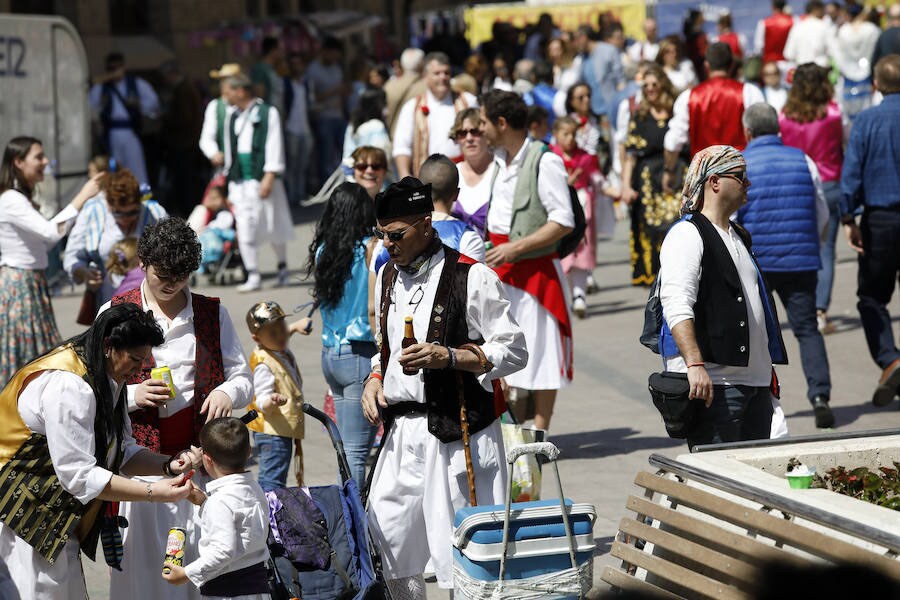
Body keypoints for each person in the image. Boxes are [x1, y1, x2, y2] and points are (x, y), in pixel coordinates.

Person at [362, 177, 528, 598]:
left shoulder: (472, 277)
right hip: (401, 435)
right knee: (388, 538)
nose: (387, 244)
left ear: (425, 223)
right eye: (381, 234)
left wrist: (451, 357)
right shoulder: (386, 276)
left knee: (459, 554)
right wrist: (374, 378)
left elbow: (513, 349)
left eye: (396, 235)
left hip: (458, 434)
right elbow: (382, 347)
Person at [101, 217, 253, 600]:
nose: (171, 283)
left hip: (199, 464)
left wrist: (228, 394)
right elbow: (92, 390)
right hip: (141, 469)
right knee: (146, 573)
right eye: (162, 274)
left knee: (199, 567)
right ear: (143, 265)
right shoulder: (116, 312)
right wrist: (134, 397)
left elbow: (243, 378)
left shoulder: (210, 313)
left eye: (181, 275)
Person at [0, 303, 193, 598]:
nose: (140, 370)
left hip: (54, 517)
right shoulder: (69, 386)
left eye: (144, 361)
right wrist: (155, 493)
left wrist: (167, 465)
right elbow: (79, 476)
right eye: (135, 359)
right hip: (20, 518)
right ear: (108, 346)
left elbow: (121, 449)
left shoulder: (106, 373)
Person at [658, 145, 788, 449]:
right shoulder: (687, 234)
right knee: (718, 484)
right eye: (741, 176)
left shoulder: (739, 235)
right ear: (714, 181)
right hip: (716, 386)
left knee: (753, 482)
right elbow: (676, 303)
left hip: (754, 385)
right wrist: (694, 365)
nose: (748, 184)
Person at [481, 90, 575, 432]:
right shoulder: (500, 161)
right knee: (508, 351)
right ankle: (515, 430)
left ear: (501, 123)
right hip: (504, 270)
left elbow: (563, 220)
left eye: (484, 122)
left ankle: (540, 430)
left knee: (543, 351)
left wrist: (516, 248)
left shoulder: (544, 160)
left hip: (535, 272)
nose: (481, 130)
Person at [736, 103, 835, 429]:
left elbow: (732, 218)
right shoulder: (803, 160)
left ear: (747, 132)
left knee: (756, 333)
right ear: (777, 129)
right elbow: (821, 212)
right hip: (800, 260)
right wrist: (813, 246)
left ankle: (762, 399)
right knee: (807, 328)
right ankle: (820, 396)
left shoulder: (741, 164)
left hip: (758, 262)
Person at [0, 136, 104, 384]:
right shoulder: (12, 199)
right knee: (28, 356)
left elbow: (47, 240)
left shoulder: (18, 198)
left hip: (29, 282)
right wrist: (82, 197)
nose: (45, 162)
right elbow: (49, 232)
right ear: (18, 162)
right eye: (38, 157)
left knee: (36, 353)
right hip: (19, 284)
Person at [307, 182, 379, 487]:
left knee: (346, 447)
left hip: (330, 354)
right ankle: (352, 524)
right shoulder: (369, 249)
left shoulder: (324, 250)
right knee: (356, 451)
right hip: (359, 352)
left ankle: (349, 517)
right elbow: (374, 307)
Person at [839, 55, 900, 407]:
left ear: (875, 85)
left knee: (873, 297)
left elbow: (852, 174)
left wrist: (848, 218)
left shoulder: (866, 120)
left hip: (880, 220)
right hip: (882, 215)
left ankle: (889, 357)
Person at [162, 417, 271, 599]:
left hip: (228, 592)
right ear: (249, 452)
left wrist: (186, 573)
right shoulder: (254, 487)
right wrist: (204, 502)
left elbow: (223, 550)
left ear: (207, 460)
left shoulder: (220, 501)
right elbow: (241, 527)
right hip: (257, 588)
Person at [779, 63, 845, 334]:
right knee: (826, 248)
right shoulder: (833, 113)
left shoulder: (785, 117)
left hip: (797, 184)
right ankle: (820, 310)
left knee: (800, 247)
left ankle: (802, 306)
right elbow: (846, 144)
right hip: (829, 181)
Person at [222, 73, 295, 292]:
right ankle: (253, 273)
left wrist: (270, 175)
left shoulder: (267, 112)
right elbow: (229, 150)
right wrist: (228, 182)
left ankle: (282, 267)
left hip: (262, 177)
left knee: (273, 223)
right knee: (244, 226)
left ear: (241, 91)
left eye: (230, 91)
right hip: (240, 181)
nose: (226, 95)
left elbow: (274, 143)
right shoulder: (232, 116)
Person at [64, 168, 168, 312]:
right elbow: (72, 257)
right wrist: (84, 273)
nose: (126, 219)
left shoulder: (155, 213)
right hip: (108, 303)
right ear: (108, 203)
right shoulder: (92, 213)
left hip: (152, 303)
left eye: (133, 212)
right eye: (118, 213)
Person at [621, 66, 686, 286]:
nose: (650, 89)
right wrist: (625, 186)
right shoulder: (639, 115)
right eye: (645, 85)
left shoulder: (678, 113)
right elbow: (630, 155)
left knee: (678, 225)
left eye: (654, 84)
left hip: (677, 175)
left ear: (663, 86)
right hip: (647, 177)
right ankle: (654, 278)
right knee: (649, 229)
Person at [663, 43, 765, 173]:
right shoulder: (749, 92)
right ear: (731, 65)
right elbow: (761, 134)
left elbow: (673, 141)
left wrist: (669, 171)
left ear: (706, 65)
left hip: (703, 175)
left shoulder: (689, 97)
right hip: (739, 173)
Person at [245, 301, 311, 491]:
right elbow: (261, 400)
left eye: (282, 328)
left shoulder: (273, 346)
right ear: (257, 339)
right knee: (272, 479)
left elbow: (280, 333)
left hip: (279, 430)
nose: (282, 335)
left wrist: (296, 327)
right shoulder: (264, 364)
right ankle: (268, 514)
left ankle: (270, 511)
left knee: (276, 475)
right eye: (274, 333)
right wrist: (271, 401)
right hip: (272, 433)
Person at [394, 52, 477, 178]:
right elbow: (402, 146)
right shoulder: (411, 107)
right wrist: (405, 176)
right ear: (425, 76)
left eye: (446, 73)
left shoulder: (468, 101)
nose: (442, 77)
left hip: (464, 175)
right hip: (426, 178)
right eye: (437, 73)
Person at [551, 117, 599, 318]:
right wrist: (565, 182)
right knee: (565, 256)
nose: (570, 139)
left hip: (583, 212)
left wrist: (611, 189)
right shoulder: (551, 157)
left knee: (582, 253)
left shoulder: (585, 158)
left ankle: (579, 296)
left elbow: (596, 176)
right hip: (559, 212)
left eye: (573, 134)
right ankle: (566, 294)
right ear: (556, 135)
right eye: (565, 134)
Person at [89, 52, 159, 185]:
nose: (115, 71)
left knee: (136, 168)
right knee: (115, 169)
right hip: (111, 133)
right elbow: (91, 106)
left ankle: (142, 198)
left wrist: (138, 104)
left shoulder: (136, 84)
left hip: (130, 131)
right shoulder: (102, 86)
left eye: (117, 67)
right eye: (111, 69)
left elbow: (153, 104)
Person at [158, 61, 204, 218]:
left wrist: (166, 118)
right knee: (184, 179)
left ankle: (187, 210)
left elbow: (184, 117)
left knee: (185, 180)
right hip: (185, 141)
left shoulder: (183, 90)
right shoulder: (183, 88)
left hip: (184, 142)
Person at [307, 37, 349, 187]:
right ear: (325, 52)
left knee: (345, 152)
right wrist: (334, 91)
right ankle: (326, 187)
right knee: (325, 154)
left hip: (339, 116)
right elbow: (311, 97)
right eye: (334, 54)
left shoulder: (337, 68)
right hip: (323, 118)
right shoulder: (313, 70)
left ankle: (344, 183)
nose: (336, 58)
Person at [833, 5, 882, 123]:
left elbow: (838, 53)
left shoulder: (843, 30)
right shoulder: (872, 29)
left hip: (847, 71)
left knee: (849, 108)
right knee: (867, 105)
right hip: (867, 71)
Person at [451, 108, 496, 235]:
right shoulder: (452, 174)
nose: (469, 138)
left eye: (475, 132)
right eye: (462, 133)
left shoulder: (500, 170)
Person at [282, 53, 314, 205]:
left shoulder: (306, 83)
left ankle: (300, 194)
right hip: (291, 128)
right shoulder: (286, 83)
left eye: (298, 63)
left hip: (305, 128)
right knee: (292, 164)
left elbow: (310, 104)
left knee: (303, 164)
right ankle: (292, 195)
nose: (296, 67)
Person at [199, 63, 241, 173]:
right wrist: (214, 153)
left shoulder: (249, 106)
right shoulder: (215, 106)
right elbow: (207, 137)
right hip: (225, 168)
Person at [581, 23, 626, 117]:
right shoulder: (583, 57)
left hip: (610, 109)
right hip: (592, 111)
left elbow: (621, 80)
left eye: (577, 39)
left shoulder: (609, 50)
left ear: (584, 37)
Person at [343, 87, 393, 166]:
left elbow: (347, 155)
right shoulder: (376, 126)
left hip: (354, 172)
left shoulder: (352, 125)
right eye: (383, 104)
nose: (387, 111)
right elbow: (381, 158)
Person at [384, 48, 426, 135]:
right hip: (419, 139)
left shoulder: (388, 86)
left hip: (394, 137)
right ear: (421, 64)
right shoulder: (427, 87)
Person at [784, 1, 834, 68]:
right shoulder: (824, 26)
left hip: (802, 70)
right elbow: (832, 51)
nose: (824, 14)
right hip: (821, 70)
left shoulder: (797, 27)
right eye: (823, 11)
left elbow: (789, 54)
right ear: (817, 10)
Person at [754, 0, 795, 66]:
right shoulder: (793, 21)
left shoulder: (764, 23)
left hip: (769, 64)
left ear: (773, 7)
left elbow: (759, 47)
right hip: (787, 64)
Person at [565, 83, 602, 156]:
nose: (586, 100)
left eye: (588, 96)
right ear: (571, 101)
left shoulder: (600, 121)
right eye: (581, 97)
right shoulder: (565, 123)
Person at [251, 36, 284, 112]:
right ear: (273, 50)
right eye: (279, 50)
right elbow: (259, 95)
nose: (282, 53)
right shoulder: (260, 69)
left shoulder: (272, 69)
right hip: (267, 114)